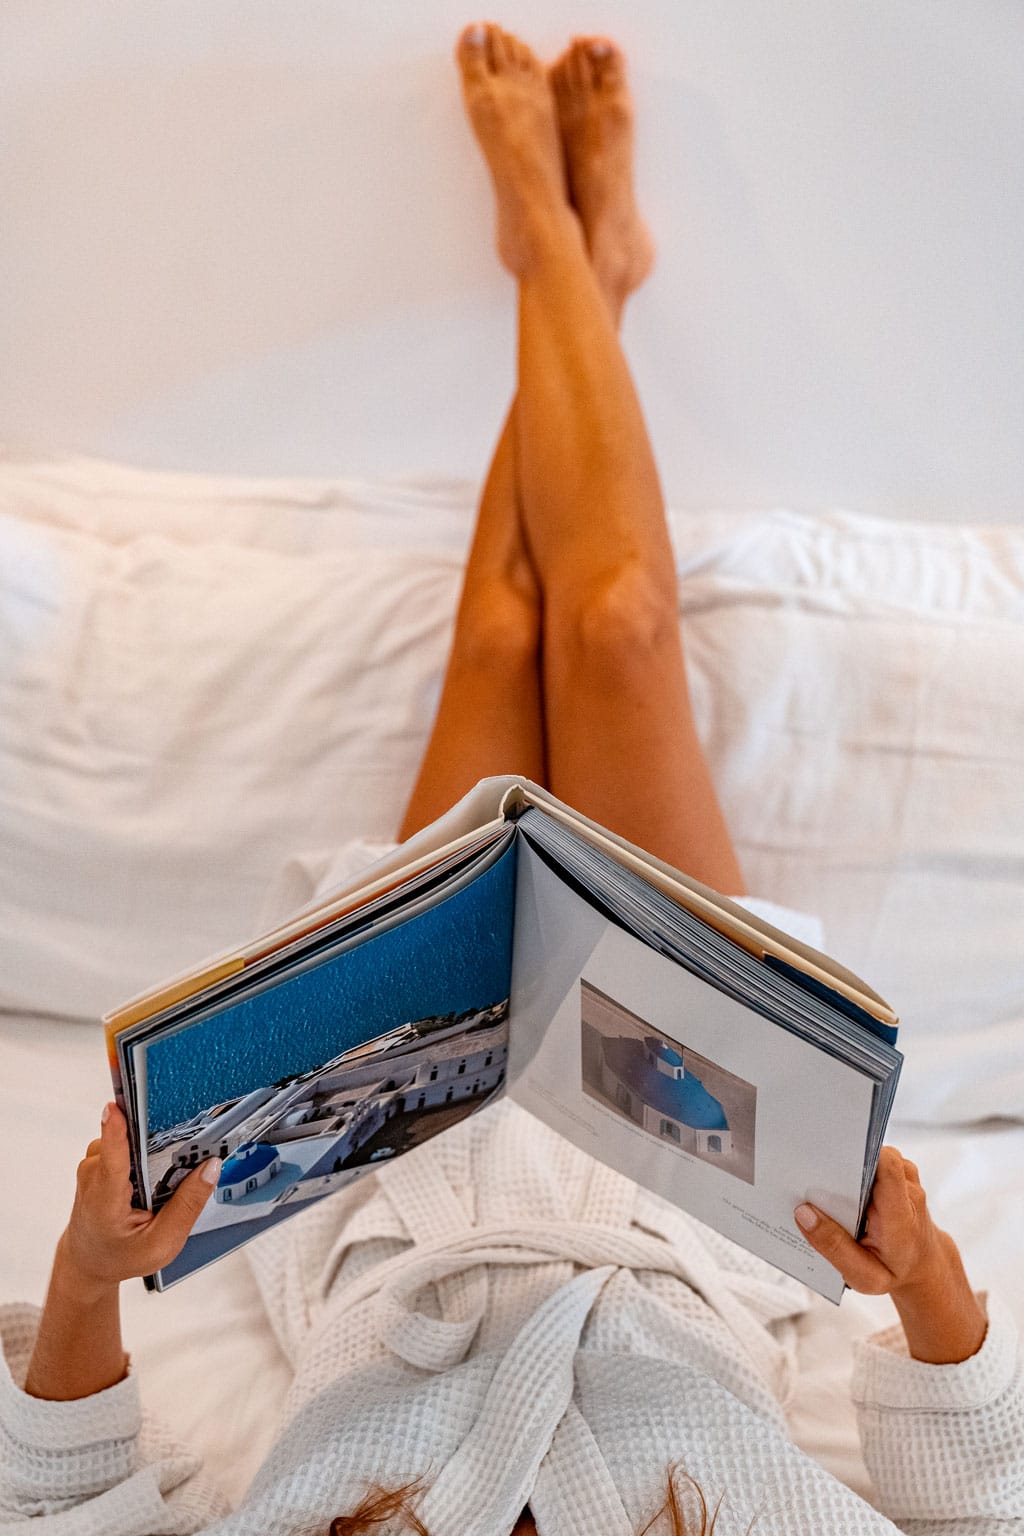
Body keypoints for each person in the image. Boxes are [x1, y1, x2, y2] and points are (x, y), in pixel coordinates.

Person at [1, 23, 1020, 1536]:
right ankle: (566, 259)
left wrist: (91, 1273)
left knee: (503, 630)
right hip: (690, 1172)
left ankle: (569, 263)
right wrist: (922, 1279)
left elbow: (65, 1499)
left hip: (398, 1150)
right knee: (615, 635)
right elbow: (980, 1509)